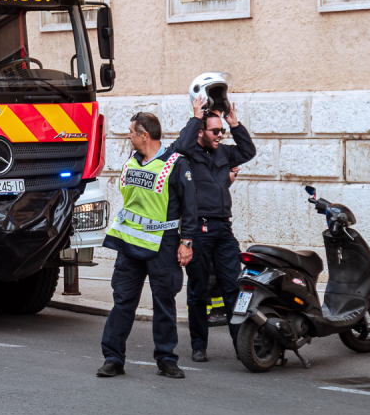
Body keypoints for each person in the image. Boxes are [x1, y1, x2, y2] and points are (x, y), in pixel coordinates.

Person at [96, 112, 196, 380]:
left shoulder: (176, 164)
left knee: (164, 303)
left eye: (131, 131)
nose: (127, 135)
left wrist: (186, 242)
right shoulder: (132, 160)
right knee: (123, 302)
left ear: (144, 135)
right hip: (129, 244)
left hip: (163, 246)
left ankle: (166, 359)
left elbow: (190, 207)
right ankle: (113, 358)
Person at [175, 97, 256, 362]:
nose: (221, 135)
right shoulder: (188, 155)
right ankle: (199, 345)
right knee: (198, 291)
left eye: (222, 130)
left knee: (233, 288)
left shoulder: (225, 152)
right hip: (198, 231)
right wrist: (195, 116)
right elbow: (180, 145)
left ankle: (240, 345)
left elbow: (248, 152)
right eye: (216, 130)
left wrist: (235, 123)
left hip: (222, 230)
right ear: (201, 131)